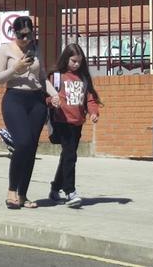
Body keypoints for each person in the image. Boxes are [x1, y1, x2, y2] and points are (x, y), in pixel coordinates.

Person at [0, 15, 59, 209]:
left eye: (29, 35)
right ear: (14, 33)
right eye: (21, 35)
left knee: (31, 148)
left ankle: (22, 194)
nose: (25, 39)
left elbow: (42, 77)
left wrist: (54, 94)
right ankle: (11, 190)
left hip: (36, 101)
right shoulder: (5, 50)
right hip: (14, 99)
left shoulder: (35, 49)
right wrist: (16, 68)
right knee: (22, 143)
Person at [46, 43, 100, 209]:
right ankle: (70, 191)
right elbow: (45, 96)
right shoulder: (57, 76)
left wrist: (93, 112)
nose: (76, 64)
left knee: (67, 156)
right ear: (66, 59)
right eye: (73, 61)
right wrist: (51, 101)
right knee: (70, 156)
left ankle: (55, 188)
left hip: (77, 122)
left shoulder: (83, 78)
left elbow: (90, 98)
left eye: (79, 61)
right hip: (62, 121)